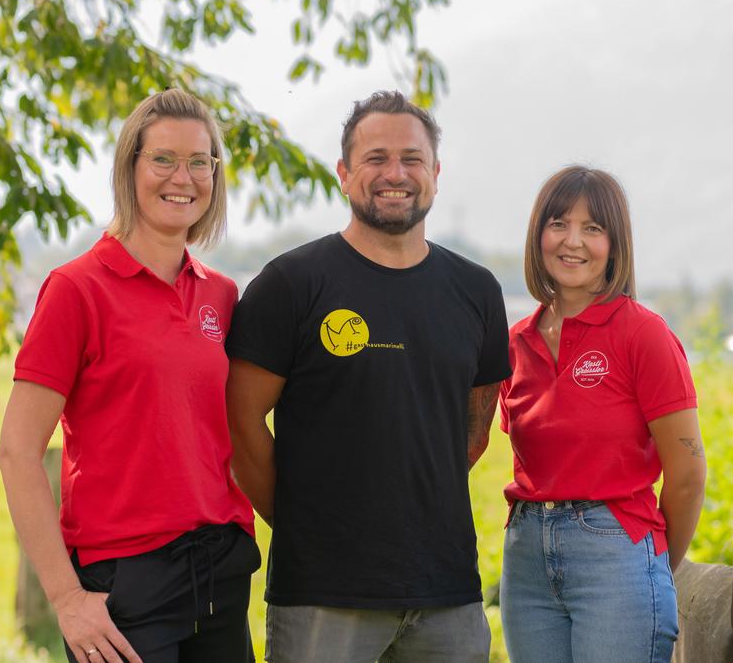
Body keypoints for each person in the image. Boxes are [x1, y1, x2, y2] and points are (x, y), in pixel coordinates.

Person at [224, 90, 511, 663]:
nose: (395, 173)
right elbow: (240, 422)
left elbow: (473, 430)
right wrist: (299, 518)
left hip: (447, 593)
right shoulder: (290, 284)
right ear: (344, 173)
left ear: (435, 173)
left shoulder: (477, 291)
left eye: (411, 158)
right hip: (322, 597)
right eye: (376, 158)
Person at [0, 89, 259, 663]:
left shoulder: (222, 293)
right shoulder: (76, 289)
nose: (182, 177)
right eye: (163, 158)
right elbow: (18, 451)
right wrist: (67, 597)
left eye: (199, 161)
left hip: (220, 573)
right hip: (123, 589)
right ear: (130, 167)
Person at [497, 165, 707, 663]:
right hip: (525, 558)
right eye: (559, 224)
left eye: (593, 228)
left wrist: (650, 562)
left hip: (615, 553)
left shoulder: (642, 333)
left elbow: (688, 474)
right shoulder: (514, 343)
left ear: (615, 245)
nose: (573, 241)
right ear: (538, 235)